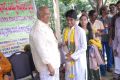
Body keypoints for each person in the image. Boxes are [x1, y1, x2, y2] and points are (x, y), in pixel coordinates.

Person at [29, 6, 60, 80]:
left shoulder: (44, 26)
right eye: (47, 14)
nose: (49, 16)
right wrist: (49, 65)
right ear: (41, 15)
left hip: (53, 64)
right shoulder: (38, 29)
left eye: (49, 13)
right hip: (47, 68)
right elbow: (41, 49)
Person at [63, 9, 87, 80]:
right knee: (69, 75)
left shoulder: (80, 31)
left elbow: (84, 47)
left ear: (75, 20)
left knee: (78, 76)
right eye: (67, 20)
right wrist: (66, 53)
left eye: (71, 20)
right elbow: (64, 44)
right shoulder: (65, 30)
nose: (69, 22)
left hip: (78, 60)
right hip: (68, 58)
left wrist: (73, 56)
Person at [112, 1, 120, 80]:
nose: (119, 8)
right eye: (118, 7)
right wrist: (114, 48)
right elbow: (116, 35)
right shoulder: (117, 19)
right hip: (118, 46)